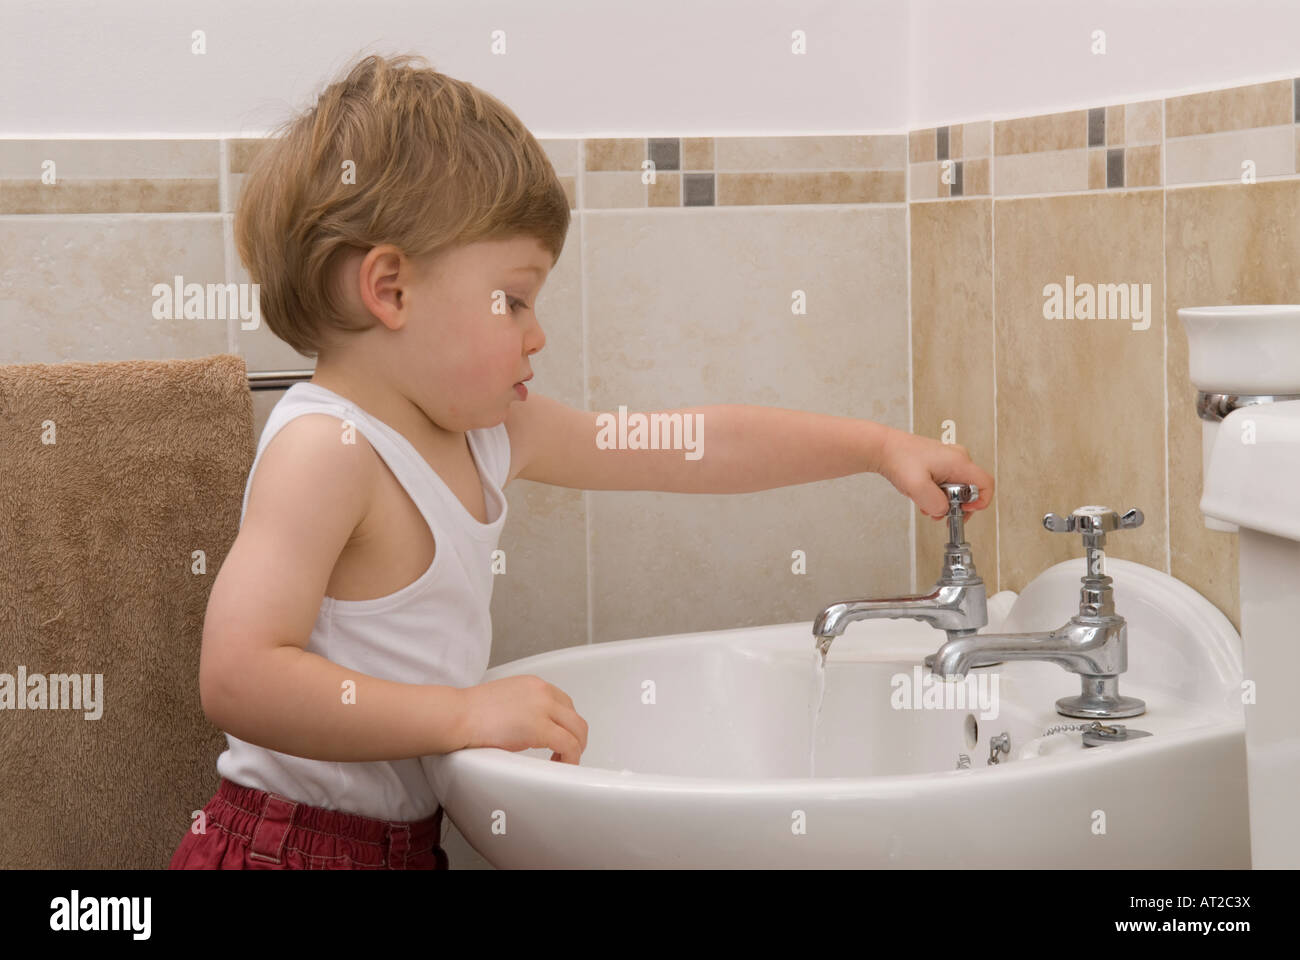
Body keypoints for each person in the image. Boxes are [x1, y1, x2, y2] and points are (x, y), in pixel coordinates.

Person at [168, 52, 993, 871]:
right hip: (284, 849)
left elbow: (692, 447)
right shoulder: (328, 448)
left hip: (398, 847)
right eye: (514, 299)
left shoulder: (489, 435)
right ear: (391, 289)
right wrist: (460, 714)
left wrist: (877, 448)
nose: (537, 334)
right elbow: (240, 678)